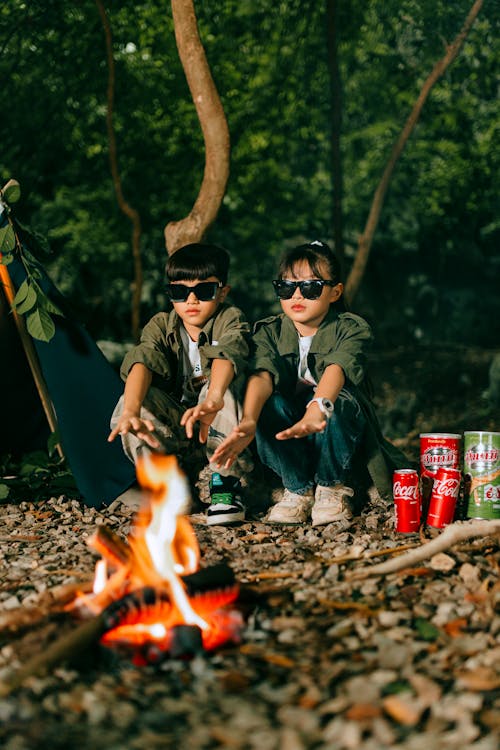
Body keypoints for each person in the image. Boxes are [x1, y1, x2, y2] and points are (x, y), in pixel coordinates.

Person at [211, 240, 408, 526]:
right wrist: (249, 420)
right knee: (267, 403)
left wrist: (319, 407)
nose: (297, 295)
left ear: (335, 292)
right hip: (290, 430)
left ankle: (332, 487)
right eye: (287, 287)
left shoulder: (351, 327)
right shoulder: (268, 331)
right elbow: (262, 374)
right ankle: (297, 489)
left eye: (311, 287)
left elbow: (336, 369)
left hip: (337, 429)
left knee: (337, 403)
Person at [109, 243, 253, 525]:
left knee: (227, 389)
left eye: (203, 291)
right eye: (179, 291)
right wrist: (130, 411)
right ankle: (170, 487)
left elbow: (230, 352)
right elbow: (143, 360)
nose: (191, 300)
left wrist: (213, 399)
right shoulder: (162, 324)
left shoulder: (229, 318)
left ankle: (224, 486)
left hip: (217, 428)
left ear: (223, 292)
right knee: (131, 401)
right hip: (179, 429)